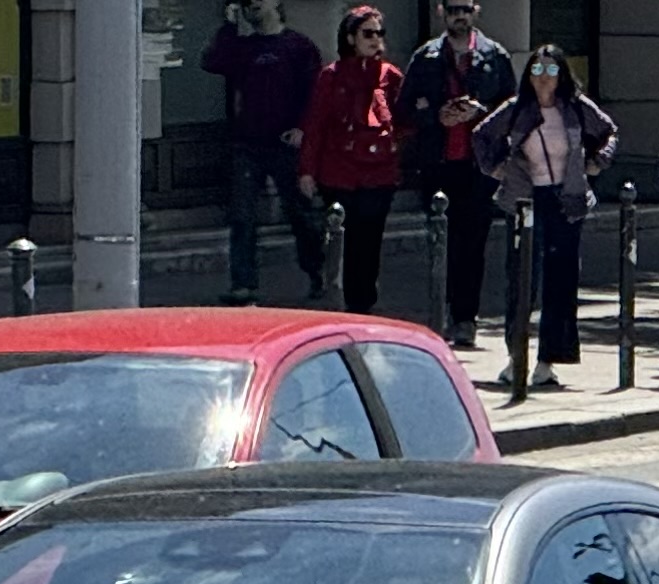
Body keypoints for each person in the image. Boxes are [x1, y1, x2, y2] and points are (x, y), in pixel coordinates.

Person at [473, 45, 617, 389]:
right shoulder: (517, 109)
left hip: (566, 199)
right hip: (526, 197)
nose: (544, 79)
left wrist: (596, 164)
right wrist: (497, 169)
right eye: (537, 70)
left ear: (562, 76)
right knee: (522, 280)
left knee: (561, 280)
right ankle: (516, 357)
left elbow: (608, 132)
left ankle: (547, 360)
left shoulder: (575, 108)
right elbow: (482, 135)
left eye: (552, 72)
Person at [398, 2, 516, 347]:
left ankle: (465, 318)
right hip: (437, 163)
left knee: (472, 244)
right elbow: (404, 109)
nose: (458, 15)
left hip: (478, 166)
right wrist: (437, 116)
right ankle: (442, 312)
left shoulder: (495, 55)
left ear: (476, 11)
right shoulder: (426, 57)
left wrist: (482, 113)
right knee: (442, 242)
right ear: (440, 12)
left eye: (465, 8)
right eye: (452, 9)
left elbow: (513, 108)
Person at [201, 1, 325, 305]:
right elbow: (212, 62)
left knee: (300, 214)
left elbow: (316, 92)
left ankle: (318, 273)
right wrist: (228, 27)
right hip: (248, 143)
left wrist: (302, 128)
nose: (251, 4)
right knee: (242, 215)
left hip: (285, 144)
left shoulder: (298, 46)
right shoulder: (242, 48)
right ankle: (243, 284)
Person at [297, 8, 404, 315]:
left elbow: (405, 120)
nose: (375, 40)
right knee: (343, 241)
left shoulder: (390, 76)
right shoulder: (332, 76)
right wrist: (307, 171)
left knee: (370, 243)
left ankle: (364, 304)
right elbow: (315, 126)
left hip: (380, 174)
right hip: (340, 173)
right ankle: (338, 298)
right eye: (367, 34)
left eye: (379, 33)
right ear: (351, 38)